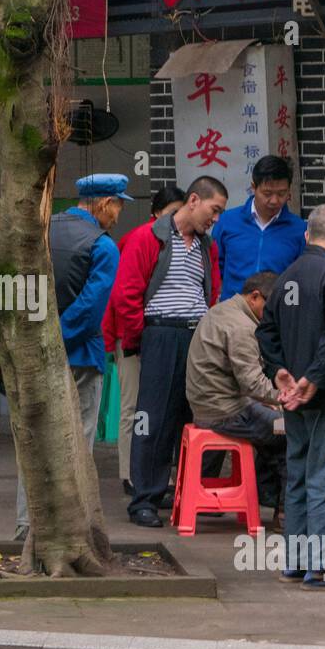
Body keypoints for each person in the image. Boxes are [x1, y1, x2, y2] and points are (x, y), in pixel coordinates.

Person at [256, 204, 325, 591]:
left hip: (296, 399)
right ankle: (324, 569)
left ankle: (297, 562)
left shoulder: (287, 277)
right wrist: (314, 380)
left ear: (306, 236)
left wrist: (281, 373)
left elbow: (265, 332)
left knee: (301, 477)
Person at [15, 174, 127, 540]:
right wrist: (58, 339)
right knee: (77, 442)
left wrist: (39, 340)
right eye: (118, 206)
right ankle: (70, 530)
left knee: (34, 439)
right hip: (79, 355)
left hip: (33, 355)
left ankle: (26, 525)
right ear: (104, 203)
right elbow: (92, 308)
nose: (118, 215)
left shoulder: (42, 230)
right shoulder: (103, 246)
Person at [112, 175, 227, 528]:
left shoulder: (207, 246)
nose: (216, 219)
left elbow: (212, 290)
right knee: (153, 420)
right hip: (160, 333)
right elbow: (126, 294)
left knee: (197, 415)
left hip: (196, 336)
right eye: (214, 210)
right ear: (194, 200)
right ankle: (145, 499)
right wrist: (137, 340)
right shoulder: (149, 238)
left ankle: (189, 492)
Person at [102, 184, 185, 496]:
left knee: (166, 410)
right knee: (133, 408)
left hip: (165, 341)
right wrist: (127, 339)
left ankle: (162, 477)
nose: (176, 219)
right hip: (132, 338)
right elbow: (122, 297)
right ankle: (130, 474)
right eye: (171, 213)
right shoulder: (138, 240)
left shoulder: (192, 245)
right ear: (156, 214)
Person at [185, 270, 286, 523]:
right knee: (290, 435)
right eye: (271, 308)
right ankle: (286, 513)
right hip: (223, 411)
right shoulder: (242, 327)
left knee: (273, 429)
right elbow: (252, 383)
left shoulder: (224, 309)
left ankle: (267, 496)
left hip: (209, 403)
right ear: (255, 297)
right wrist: (284, 397)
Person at [214, 155, 307, 302]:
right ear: (253, 187)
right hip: (233, 313)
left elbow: (301, 278)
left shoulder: (299, 230)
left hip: (276, 314)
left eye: (282, 194)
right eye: (267, 193)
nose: (274, 200)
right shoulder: (227, 221)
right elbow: (214, 269)